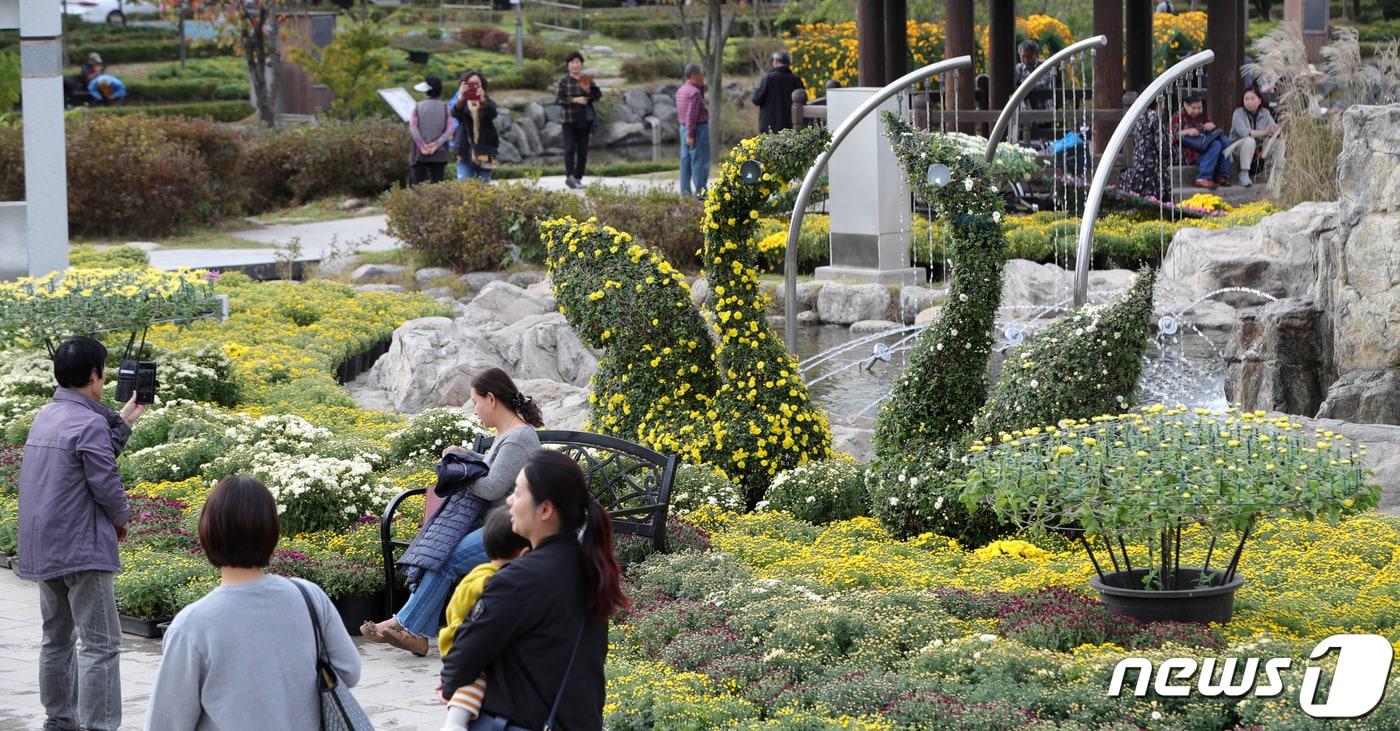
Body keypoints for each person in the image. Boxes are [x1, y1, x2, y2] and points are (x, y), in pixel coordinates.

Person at [144, 476, 361, 729]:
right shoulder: (309, 596)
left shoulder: (193, 624)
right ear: (272, 531)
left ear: (207, 533)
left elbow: (166, 722)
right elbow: (349, 671)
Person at [438, 451, 628, 731]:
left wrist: (457, 692)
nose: (509, 501)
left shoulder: (520, 579)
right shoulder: (590, 569)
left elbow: (460, 661)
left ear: (545, 510)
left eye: (517, 492)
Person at [364, 367, 544, 656]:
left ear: (492, 399)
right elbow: (491, 468)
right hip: (498, 524)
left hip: (516, 529)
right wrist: (466, 455)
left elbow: (492, 487)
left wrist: (460, 473)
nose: (475, 410)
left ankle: (408, 628)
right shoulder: (507, 434)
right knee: (443, 551)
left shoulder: (519, 438)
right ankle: (410, 629)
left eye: (475, 402)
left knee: (446, 556)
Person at [19, 336, 145, 731]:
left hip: (45, 546)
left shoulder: (46, 416)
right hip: (82, 547)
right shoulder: (89, 422)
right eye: (103, 371)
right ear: (94, 374)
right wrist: (122, 518)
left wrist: (124, 421)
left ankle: (59, 721)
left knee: (56, 639)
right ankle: (100, 726)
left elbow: (91, 456)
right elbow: (104, 481)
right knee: (101, 644)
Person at [439, 507, 531, 731]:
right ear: (525, 555)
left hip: (458, 635)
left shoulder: (479, 571)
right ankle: (455, 723)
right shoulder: (493, 582)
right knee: (475, 679)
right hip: (459, 640)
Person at [556, 51, 601, 189]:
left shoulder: (585, 79)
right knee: (569, 148)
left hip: (584, 120)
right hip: (568, 120)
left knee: (583, 152)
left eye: (578, 63)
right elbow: (559, 99)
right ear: (568, 66)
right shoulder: (564, 81)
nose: (575, 65)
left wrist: (588, 95)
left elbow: (597, 95)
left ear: (581, 65)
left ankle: (578, 178)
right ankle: (570, 176)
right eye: (572, 63)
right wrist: (575, 99)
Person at [1171, 91, 1230, 190]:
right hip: (1188, 154)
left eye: (1199, 108)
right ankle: (1203, 177)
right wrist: (1186, 131)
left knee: (1225, 140)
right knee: (1216, 144)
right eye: (1193, 108)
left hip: (1204, 148)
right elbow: (1171, 136)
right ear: (1185, 105)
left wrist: (1211, 126)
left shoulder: (1202, 116)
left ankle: (1222, 175)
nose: (1197, 111)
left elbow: (1212, 130)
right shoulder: (1178, 117)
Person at [1118, 98, 1174, 200]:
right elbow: (1163, 146)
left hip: (1139, 164)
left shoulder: (1139, 117)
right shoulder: (1156, 118)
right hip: (1153, 168)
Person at [453, 70, 500, 182]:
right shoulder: (462, 103)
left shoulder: (488, 102)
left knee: (483, 188)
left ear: (482, 85)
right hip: (465, 151)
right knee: (464, 187)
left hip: (485, 151)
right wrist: (461, 97)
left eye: (477, 84)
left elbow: (493, 113)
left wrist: (482, 100)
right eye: (470, 84)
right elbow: (454, 113)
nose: (474, 86)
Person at [1228, 87, 1280, 187]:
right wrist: (1265, 131)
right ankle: (1244, 174)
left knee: (1278, 142)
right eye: (1246, 99)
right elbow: (1245, 133)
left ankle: (1276, 174)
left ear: (1259, 100)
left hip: (1259, 151)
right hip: (1238, 152)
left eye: (1252, 99)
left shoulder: (1265, 113)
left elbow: (1272, 129)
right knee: (1249, 140)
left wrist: (1275, 130)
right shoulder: (1238, 113)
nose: (1249, 102)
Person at [410, 75, 455, 185]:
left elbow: (413, 127)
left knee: (418, 186)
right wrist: (436, 144)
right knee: (437, 185)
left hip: (420, 153)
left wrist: (422, 145)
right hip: (440, 153)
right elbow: (450, 128)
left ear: (426, 91)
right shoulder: (445, 107)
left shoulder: (418, 106)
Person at [676, 63, 710, 199]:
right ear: (694, 75)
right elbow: (691, 115)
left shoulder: (682, 90)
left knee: (685, 162)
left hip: (683, 128)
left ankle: (685, 193)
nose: (703, 77)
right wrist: (691, 134)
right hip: (697, 129)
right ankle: (701, 194)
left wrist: (687, 132)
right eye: (702, 74)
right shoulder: (694, 93)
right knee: (700, 162)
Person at [751, 49, 804, 134]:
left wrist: (755, 89)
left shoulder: (769, 78)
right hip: (791, 127)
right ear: (788, 64)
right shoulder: (796, 80)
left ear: (775, 61)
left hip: (769, 127)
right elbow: (804, 103)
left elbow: (756, 99)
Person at [1014, 40, 1053, 110]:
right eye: (1023, 57)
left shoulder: (1044, 66)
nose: (1026, 60)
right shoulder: (1018, 69)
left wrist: (1022, 86)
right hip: (1025, 112)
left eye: (1029, 56)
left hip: (1045, 111)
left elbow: (1042, 85)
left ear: (1036, 55)